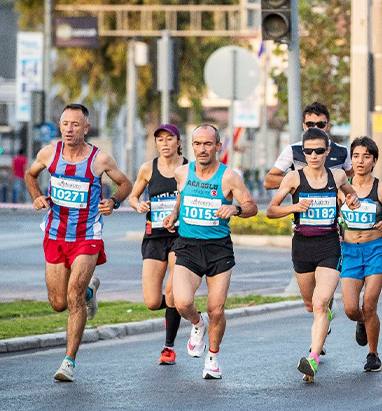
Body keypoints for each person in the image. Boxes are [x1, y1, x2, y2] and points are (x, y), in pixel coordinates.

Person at [25, 103, 131, 382]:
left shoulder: (100, 159)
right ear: (59, 126)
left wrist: (114, 201)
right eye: (65, 124)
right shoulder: (49, 153)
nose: (69, 129)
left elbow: (125, 184)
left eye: (75, 125)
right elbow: (30, 174)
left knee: (72, 294)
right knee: (58, 302)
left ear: (86, 128)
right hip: (55, 233)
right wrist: (36, 195)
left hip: (87, 235)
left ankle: (68, 362)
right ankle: (89, 294)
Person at [162, 125, 257, 380]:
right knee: (181, 302)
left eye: (207, 144)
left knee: (216, 309)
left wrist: (235, 209)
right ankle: (197, 324)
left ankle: (213, 358)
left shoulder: (229, 177)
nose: (202, 149)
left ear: (217, 146)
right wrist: (173, 215)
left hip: (218, 249)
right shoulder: (182, 172)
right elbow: (181, 199)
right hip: (188, 246)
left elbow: (251, 206)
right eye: (197, 144)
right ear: (191, 146)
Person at [266, 127, 360, 382]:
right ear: (303, 153)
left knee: (319, 303)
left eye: (319, 150)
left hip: (330, 244)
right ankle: (328, 313)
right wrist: (294, 207)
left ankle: (313, 359)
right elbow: (271, 210)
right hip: (302, 246)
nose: (314, 155)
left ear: (327, 151)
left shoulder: (337, 175)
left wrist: (352, 201)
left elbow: (352, 194)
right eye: (308, 151)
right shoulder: (293, 178)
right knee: (311, 305)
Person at [339, 137, 382, 372]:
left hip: (376, 250)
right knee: (350, 308)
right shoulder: (342, 187)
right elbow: (333, 219)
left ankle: (373, 354)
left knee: (369, 304)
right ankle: (360, 322)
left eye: (366, 156)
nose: (360, 161)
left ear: (374, 161)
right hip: (349, 251)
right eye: (356, 156)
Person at [128, 124, 187, 364]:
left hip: (181, 235)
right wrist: (138, 205)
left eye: (169, 139)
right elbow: (133, 196)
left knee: (172, 292)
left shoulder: (188, 168)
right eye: (160, 139)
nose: (164, 143)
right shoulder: (147, 168)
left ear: (178, 142)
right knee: (153, 301)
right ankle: (183, 309)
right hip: (154, 236)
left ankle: (168, 347)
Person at [263, 102, 353, 190]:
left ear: (328, 125)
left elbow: (353, 178)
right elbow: (268, 181)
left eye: (321, 124)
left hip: (333, 204)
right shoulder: (293, 150)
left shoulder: (342, 151)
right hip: (303, 204)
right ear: (304, 126)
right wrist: (299, 181)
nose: (315, 128)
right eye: (310, 124)